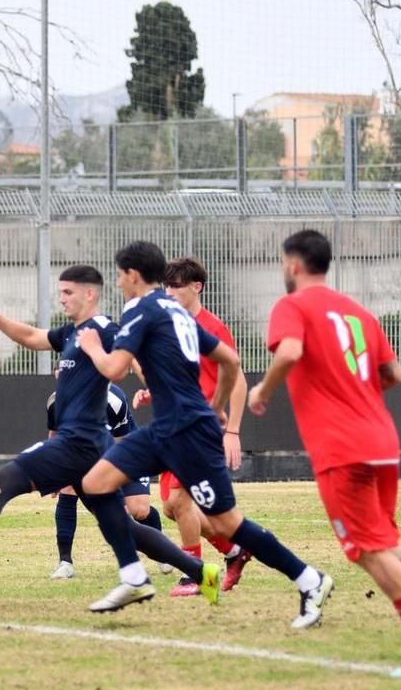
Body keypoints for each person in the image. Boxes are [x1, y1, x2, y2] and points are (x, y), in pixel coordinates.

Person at [0, 265, 217, 599]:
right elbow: (31, 337)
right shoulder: (70, 333)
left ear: (89, 294)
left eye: (68, 292)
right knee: (125, 528)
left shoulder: (105, 329)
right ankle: (200, 572)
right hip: (86, 447)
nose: (61, 298)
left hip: (80, 444)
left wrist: (152, 386)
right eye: (60, 292)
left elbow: (134, 359)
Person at [248, 229, 401, 678]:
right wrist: (357, 392)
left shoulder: (290, 306)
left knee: (366, 550)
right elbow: (394, 373)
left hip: (341, 447)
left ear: (292, 265)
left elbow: (290, 349)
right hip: (381, 440)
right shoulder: (357, 311)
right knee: (383, 544)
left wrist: (263, 391)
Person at [76, 241, 332, 624]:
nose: (117, 282)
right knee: (95, 483)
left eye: (118, 274)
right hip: (166, 428)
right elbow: (229, 360)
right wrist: (212, 406)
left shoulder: (140, 309)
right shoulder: (174, 312)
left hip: (189, 434)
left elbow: (113, 369)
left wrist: (93, 347)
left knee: (229, 524)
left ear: (131, 275)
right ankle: (133, 575)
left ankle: (309, 578)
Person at [135, 257, 254, 597]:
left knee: (180, 501)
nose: (169, 292)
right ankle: (233, 551)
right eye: (165, 286)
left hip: (201, 430)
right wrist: (150, 391)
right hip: (173, 426)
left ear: (196, 287)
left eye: (175, 286)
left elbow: (239, 381)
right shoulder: (169, 327)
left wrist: (231, 430)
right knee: (173, 509)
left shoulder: (213, 327)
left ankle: (195, 575)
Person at [49, 382, 164, 580]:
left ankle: (162, 552)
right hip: (85, 454)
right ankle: (65, 562)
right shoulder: (56, 401)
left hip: (125, 451)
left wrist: (112, 480)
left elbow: (123, 442)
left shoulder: (113, 399)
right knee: (68, 487)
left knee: (139, 510)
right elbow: (55, 435)